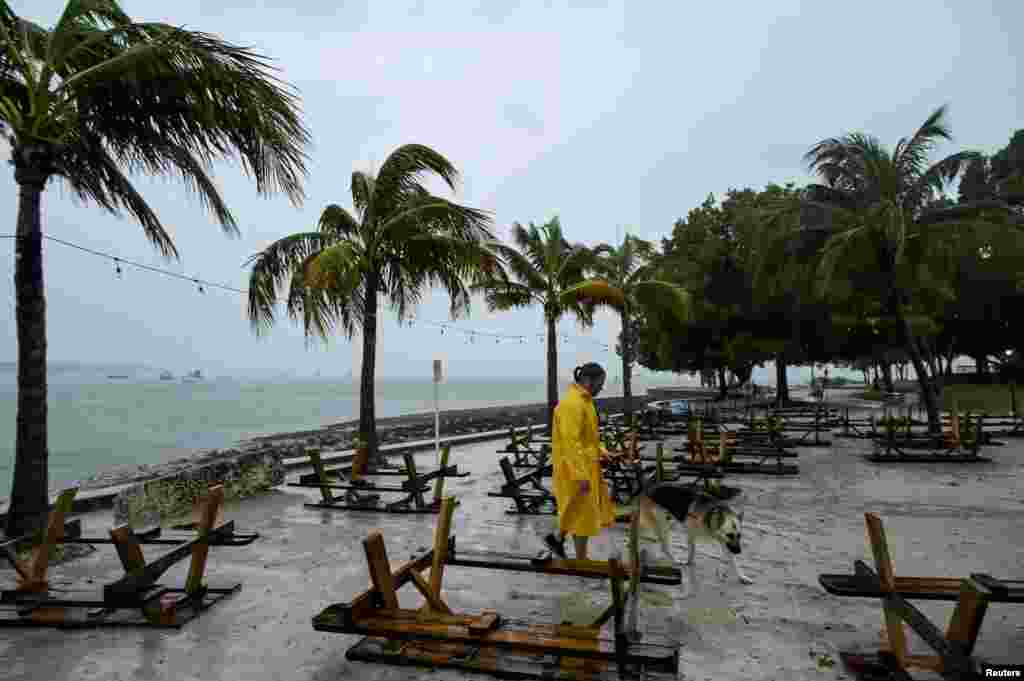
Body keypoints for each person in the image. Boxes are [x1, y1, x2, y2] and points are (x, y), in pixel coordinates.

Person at [543, 362, 616, 561]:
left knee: (577, 511)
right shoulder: (572, 404)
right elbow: (570, 442)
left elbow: (588, 438)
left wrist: (602, 451)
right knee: (582, 516)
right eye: (600, 383)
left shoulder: (585, 402)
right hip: (573, 468)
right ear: (588, 380)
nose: (602, 387)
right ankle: (581, 560)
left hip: (586, 465)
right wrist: (580, 474)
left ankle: (558, 540)